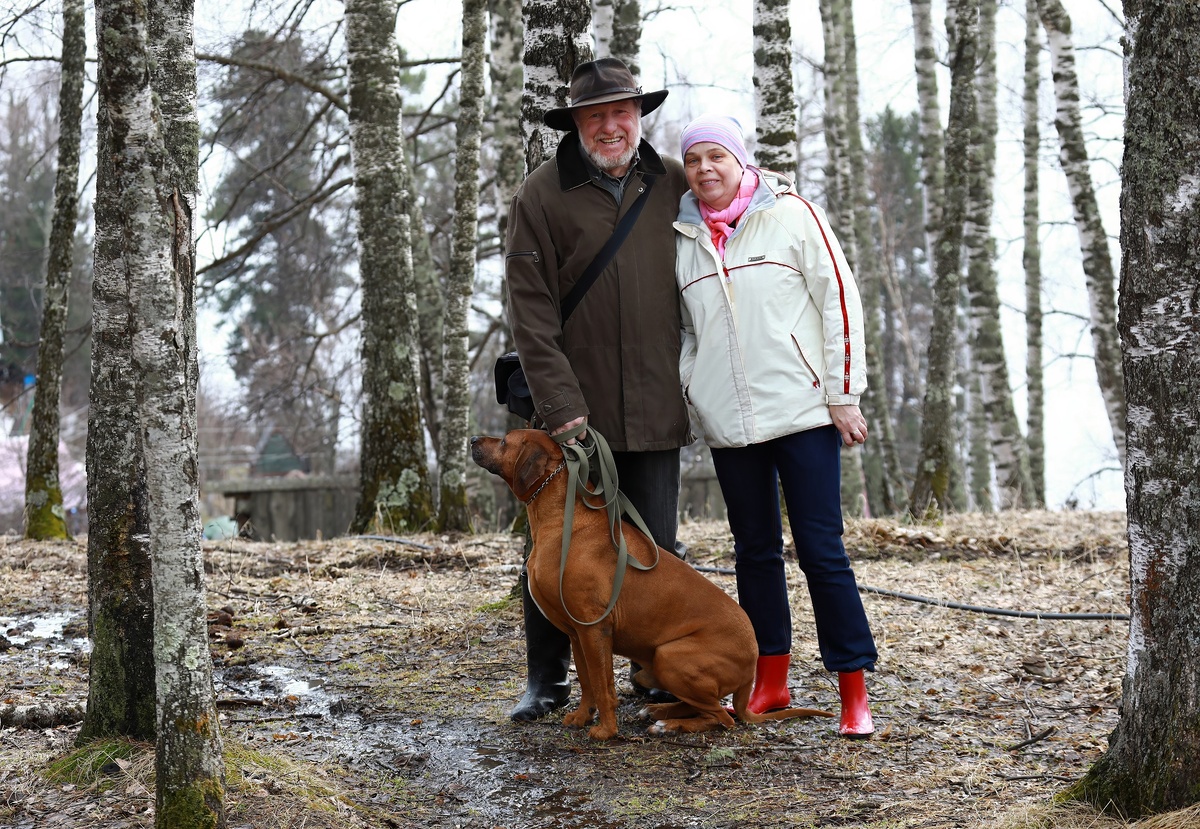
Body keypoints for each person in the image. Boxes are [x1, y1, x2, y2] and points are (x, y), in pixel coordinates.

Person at [673, 114, 878, 738]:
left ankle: (853, 689)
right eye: (693, 160)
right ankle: (770, 679)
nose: (705, 169)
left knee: (821, 550)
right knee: (754, 552)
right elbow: (686, 332)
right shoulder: (682, 238)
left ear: (740, 161)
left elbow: (840, 300)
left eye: (717, 156)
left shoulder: (793, 216)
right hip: (731, 424)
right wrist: (696, 389)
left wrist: (843, 393)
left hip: (802, 411)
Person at [503, 58, 692, 721]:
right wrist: (561, 409)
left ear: (638, 116)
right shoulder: (539, 195)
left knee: (655, 547)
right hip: (572, 414)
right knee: (556, 552)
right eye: (595, 116)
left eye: (621, 113)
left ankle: (652, 670)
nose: (610, 127)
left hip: (658, 401)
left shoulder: (673, 181)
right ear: (576, 124)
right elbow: (530, 315)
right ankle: (547, 680)